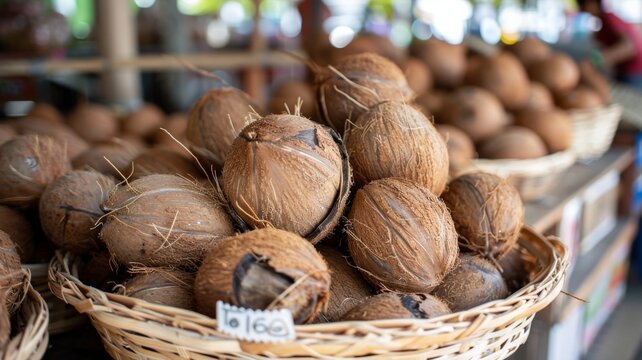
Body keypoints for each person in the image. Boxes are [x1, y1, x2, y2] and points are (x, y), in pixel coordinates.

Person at [578, 0, 642, 89]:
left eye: (582, 5)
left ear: (591, 4)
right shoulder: (601, 24)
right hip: (623, 68)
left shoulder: (609, 18)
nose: (581, 9)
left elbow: (629, 46)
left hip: (634, 70)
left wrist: (597, 60)